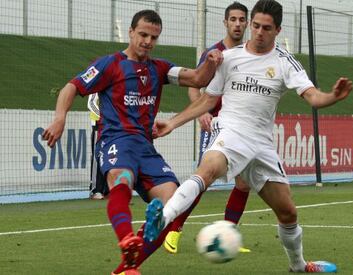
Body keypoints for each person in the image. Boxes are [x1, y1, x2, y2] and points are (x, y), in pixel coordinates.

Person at [145, 0, 353, 272]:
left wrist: (333, 97)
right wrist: (173, 123)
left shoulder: (284, 62)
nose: (258, 32)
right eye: (255, 25)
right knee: (207, 170)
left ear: (278, 30)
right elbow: (208, 100)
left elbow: (313, 97)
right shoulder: (229, 58)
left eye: (266, 28)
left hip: (261, 144)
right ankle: (164, 218)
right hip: (230, 131)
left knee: (288, 212)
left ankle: (299, 265)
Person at [42, 10, 222, 275]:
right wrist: (59, 119)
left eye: (153, 37)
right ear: (130, 32)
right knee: (122, 179)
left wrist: (212, 62)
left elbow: (197, 78)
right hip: (115, 140)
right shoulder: (109, 64)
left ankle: (126, 267)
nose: (148, 41)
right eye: (143, 35)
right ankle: (127, 239)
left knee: (172, 202)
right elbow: (72, 86)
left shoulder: (159, 69)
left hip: (145, 147)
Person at [163, 1, 251, 255]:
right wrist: (203, 113)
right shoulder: (213, 53)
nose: (237, 24)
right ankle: (174, 230)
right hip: (214, 125)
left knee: (243, 184)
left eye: (241, 19)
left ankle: (227, 236)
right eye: (232, 19)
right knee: (203, 179)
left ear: (246, 23)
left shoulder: (249, 53)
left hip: (240, 128)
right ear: (225, 22)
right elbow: (194, 87)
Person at [87, 93, 109, 200]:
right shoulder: (95, 86)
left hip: (110, 128)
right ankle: (95, 190)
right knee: (97, 158)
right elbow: (91, 103)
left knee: (110, 158)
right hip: (98, 127)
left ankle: (107, 190)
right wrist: (102, 117)